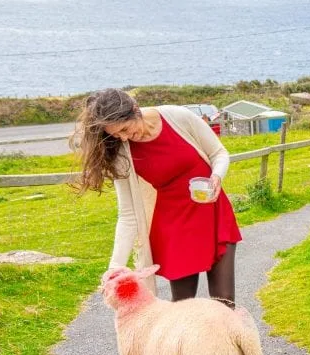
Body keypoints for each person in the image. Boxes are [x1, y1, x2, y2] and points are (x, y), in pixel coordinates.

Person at [74, 88, 241, 307]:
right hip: (175, 225)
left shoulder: (177, 117)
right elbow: (127, 214)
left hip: (213, 212)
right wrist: (115, 268)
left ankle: (228, 342)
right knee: (183, 308)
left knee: (224, 301)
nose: (123, 137)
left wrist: (216, 176)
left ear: (135, 110)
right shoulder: (121, 154)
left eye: (125, 128)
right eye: (116, 135)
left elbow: (218, 153)